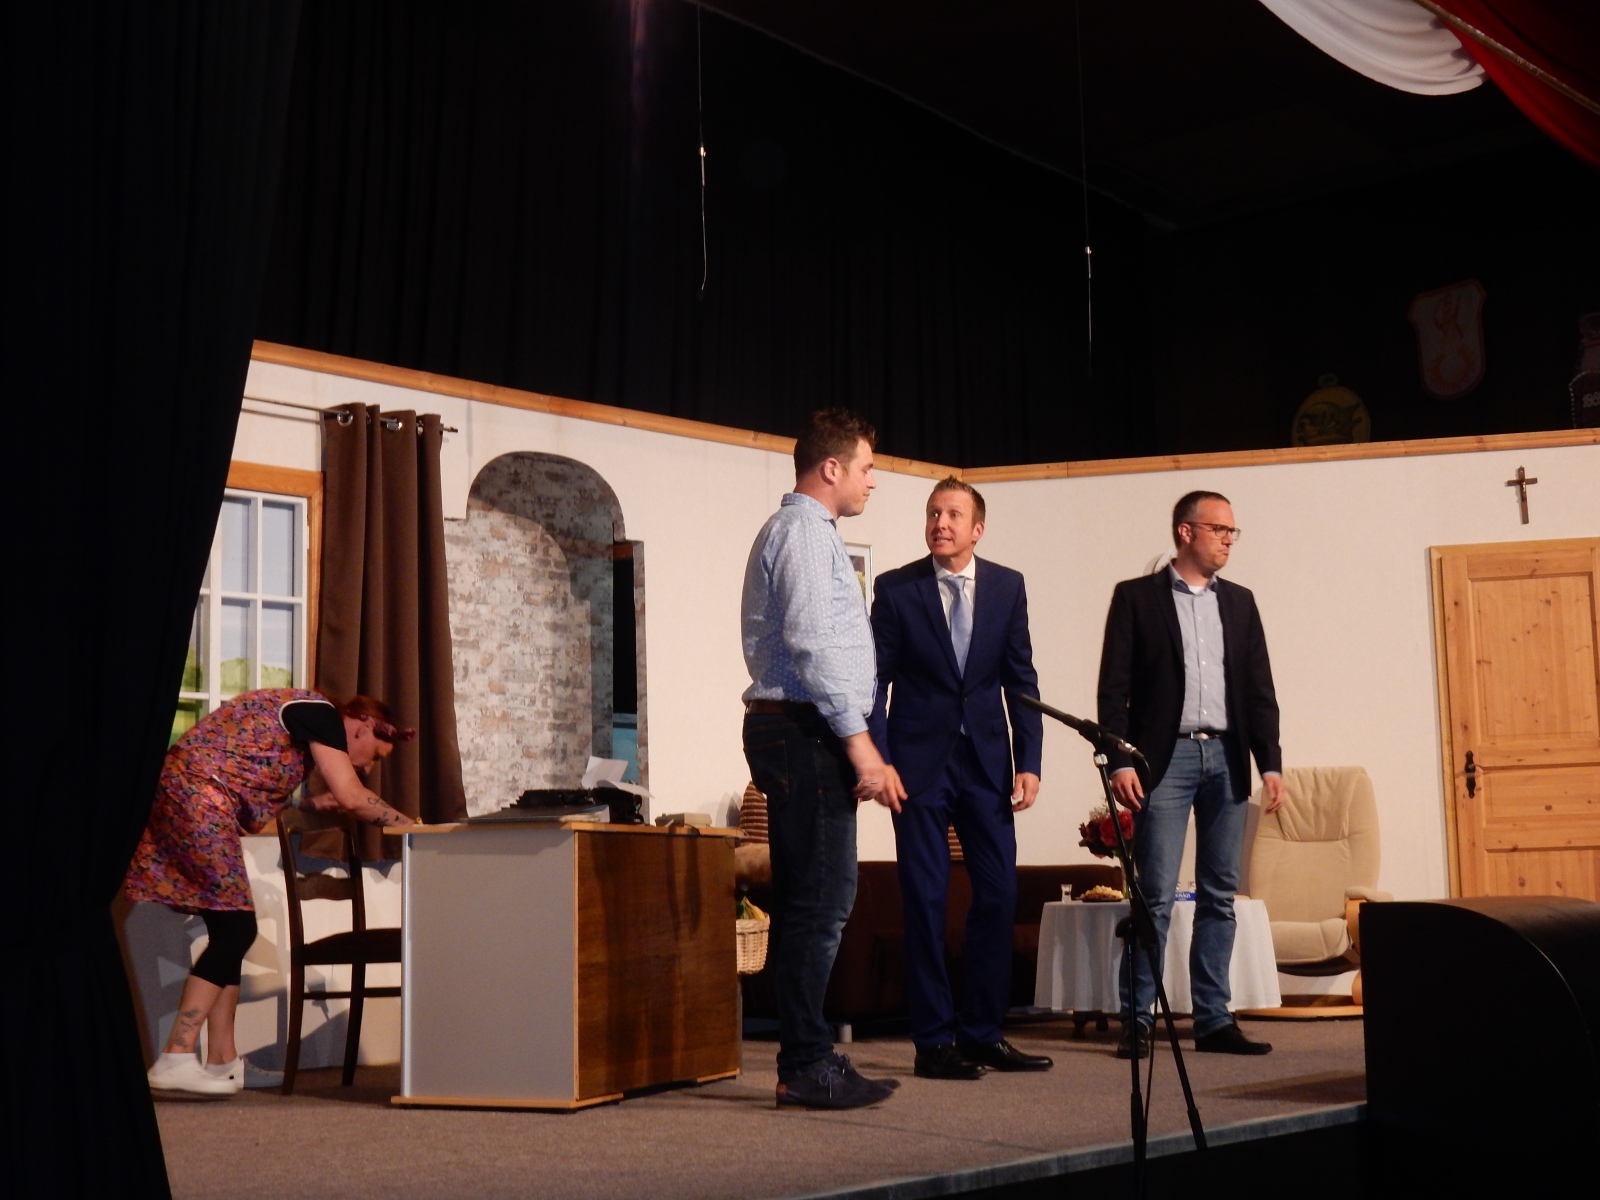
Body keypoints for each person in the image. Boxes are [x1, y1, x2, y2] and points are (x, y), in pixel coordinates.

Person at [125, 688, 416, 1096]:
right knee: (237, 930)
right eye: (376, 756)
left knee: (229, 930)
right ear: (364, 724)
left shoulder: (304, 719)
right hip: (199, 798)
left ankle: (223, 1061)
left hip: (192, 796)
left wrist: (309, 805)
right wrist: (413, 827)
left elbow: (251, 764)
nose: (368, 767)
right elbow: (353, 797)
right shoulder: (321, 713)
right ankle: (176, 1055)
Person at [740, 408, 904, 1110]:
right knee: (819, 902)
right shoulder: (803, 533)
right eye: (866, 467)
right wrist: (859, 742)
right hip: (804, 731)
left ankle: (807, 1058)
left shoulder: (810, 533)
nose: (873, 480)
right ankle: (805, 1063)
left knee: (818, 899)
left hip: (808, 731)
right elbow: (812, 643)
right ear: (831, 468)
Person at [867, 478, 1049, 1080]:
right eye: (933, 513)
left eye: (952, 514)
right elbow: (875, 682)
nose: (940, 523)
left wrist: (1029, 761)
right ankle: (932, 1041)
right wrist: (881, 759)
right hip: (917, 766)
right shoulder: (897, 588)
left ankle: (982, 1032)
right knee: (925, 898)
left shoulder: (1007, 587)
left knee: (997, 894)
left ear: (977, 529)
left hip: (987, 765)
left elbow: (1021, 679)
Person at [1096, 490, 1285, 1059]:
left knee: (1220, 895)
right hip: (1166, 760)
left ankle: (1213, 1019)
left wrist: (1270, 762)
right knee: (1154, 894)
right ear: (1186, 532)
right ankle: (1137, 1019)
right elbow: (1114, 688)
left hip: (1227, 757)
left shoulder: (1241, 603)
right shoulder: (1136, 598)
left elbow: (1259, 688)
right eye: (1219, 529)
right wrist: (1120, 759)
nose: (1229, 539)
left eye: (1232, 532)